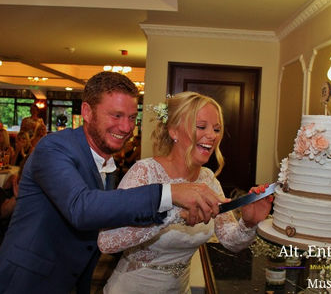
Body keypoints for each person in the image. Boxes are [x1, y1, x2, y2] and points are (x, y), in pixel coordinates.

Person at [0, 72, 227, 294]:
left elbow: (109, 217)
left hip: (76, 280)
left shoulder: (109, 162)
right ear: (87, 112)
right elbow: (82, 208)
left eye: (131, 117)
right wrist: (170, 193)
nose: (126, 128)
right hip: (29, 280)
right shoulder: (53, 148)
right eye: (116, 116)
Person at [98, 91, 273, 293]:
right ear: (173, 131)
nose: (212, 135)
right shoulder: (145, 173)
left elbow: (230, 241)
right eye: (201, 126)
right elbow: (107, 241)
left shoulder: (208, 179)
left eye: (217, 129)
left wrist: (248, 223)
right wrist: (173, 215)